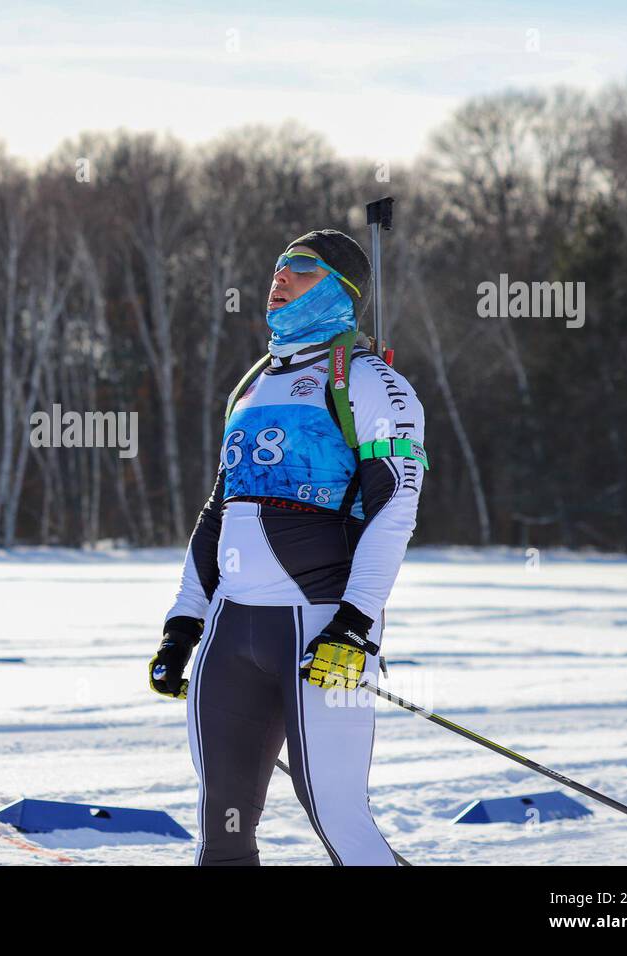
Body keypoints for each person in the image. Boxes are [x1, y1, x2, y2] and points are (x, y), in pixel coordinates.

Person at [148, 229, 428, 865]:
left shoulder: (368, 380)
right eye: (276, 267)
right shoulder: (250, 385)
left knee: (337, 818)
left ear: (339, 288)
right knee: (223, 828)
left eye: (300, 269)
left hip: (321, 625)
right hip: (231, 631)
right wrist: (183, 623)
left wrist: (355, 625)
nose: (279, 278)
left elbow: (394, 510)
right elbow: (219, 513)